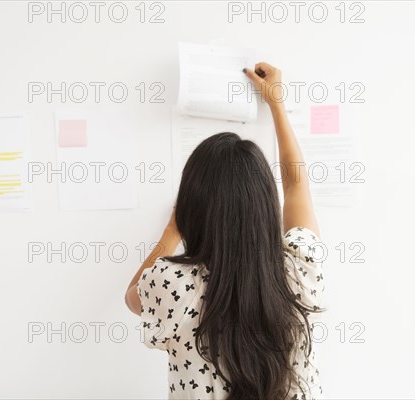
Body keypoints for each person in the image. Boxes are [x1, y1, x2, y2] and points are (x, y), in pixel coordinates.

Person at [125, 62, 325, 400]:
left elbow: (133, 296)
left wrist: (172, 230)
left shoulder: (173, 283)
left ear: (192, 206)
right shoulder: (299, 268)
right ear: (265, 204)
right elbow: (296, 185)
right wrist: (276, 102)